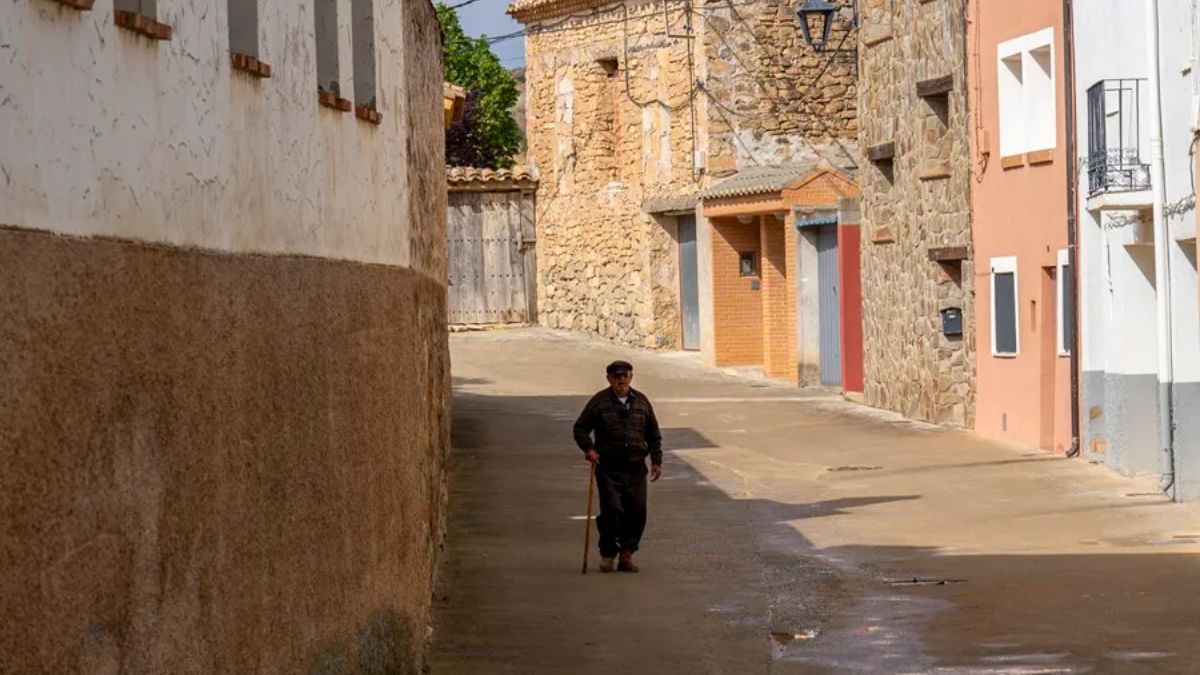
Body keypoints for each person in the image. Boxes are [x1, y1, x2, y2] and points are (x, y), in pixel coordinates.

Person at [573, 360, 662, 573]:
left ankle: (627, 554)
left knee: (637, 511)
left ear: (631, 377)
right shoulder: (600, 402)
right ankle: (607, 553)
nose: (621, 379)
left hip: (635, 467)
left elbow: (653, 434)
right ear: (609, 379)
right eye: (616, 376)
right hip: (608, 468)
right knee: (611, 509)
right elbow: (580, 428)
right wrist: (589, 449)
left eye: (625, 375)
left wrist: (656, 461)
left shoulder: (641, 401)